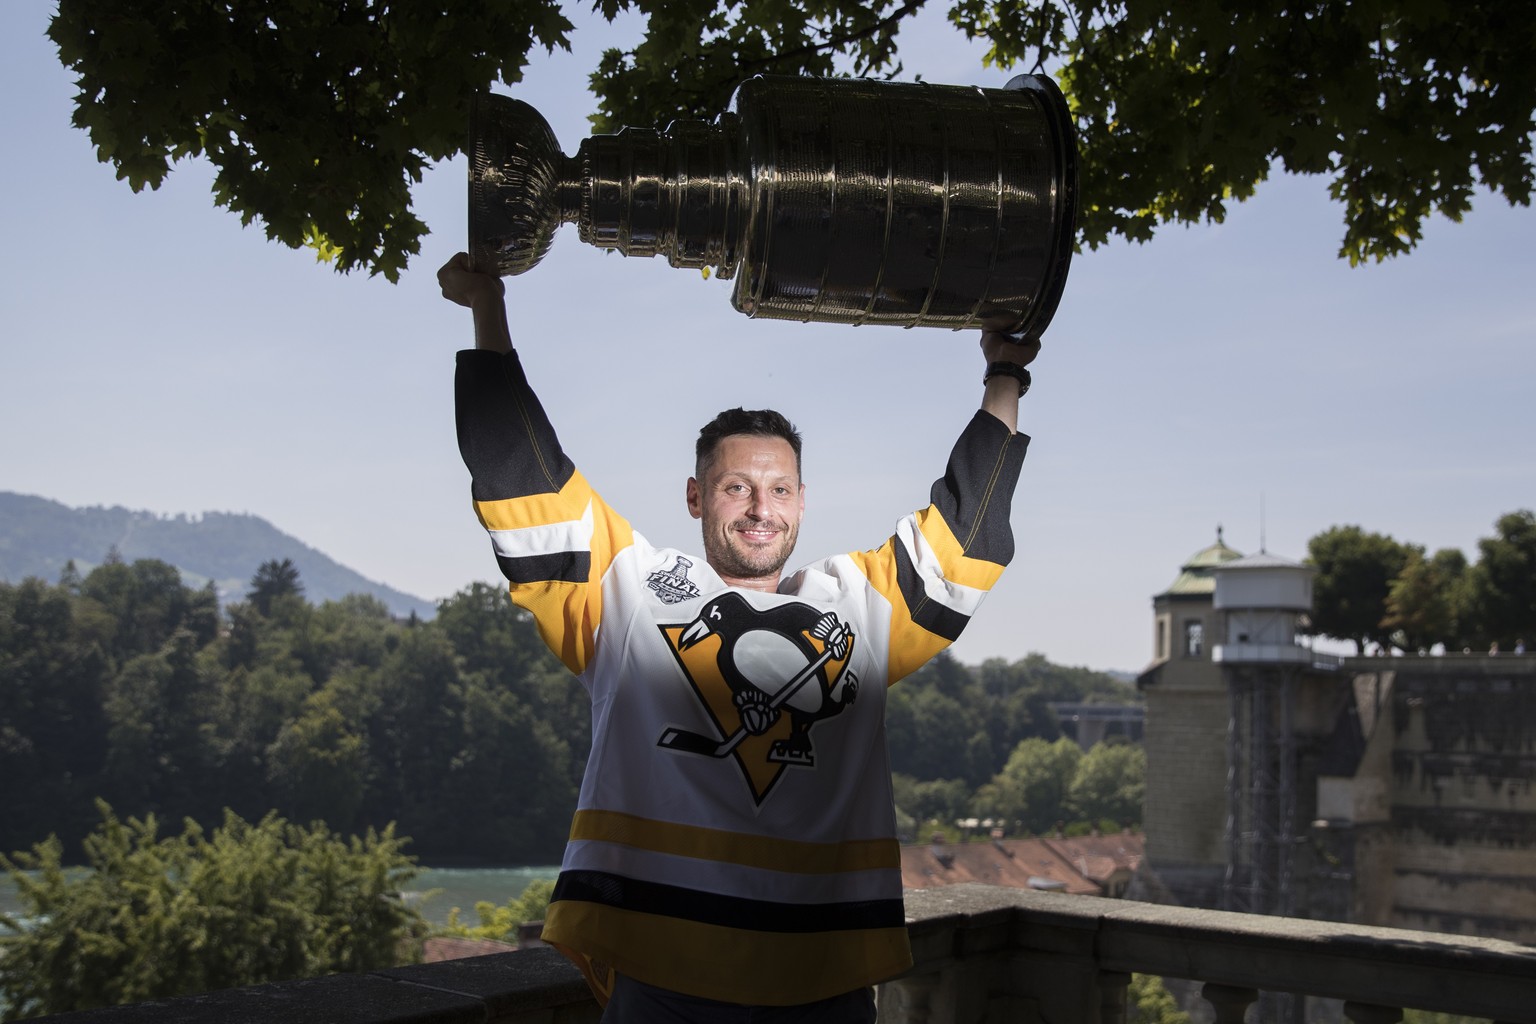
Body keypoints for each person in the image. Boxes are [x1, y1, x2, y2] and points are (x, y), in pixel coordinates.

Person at [438, 252, 1040, 1022]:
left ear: (802, 501)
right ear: (696, 497)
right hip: (665, 970)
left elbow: (970, 532)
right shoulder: (624, 588)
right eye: (736, 487)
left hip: (824, 976)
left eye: (780, 489)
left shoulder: (858, 605)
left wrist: (1005, 375)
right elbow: (517, 471)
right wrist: (488, 309)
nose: (761, 507)